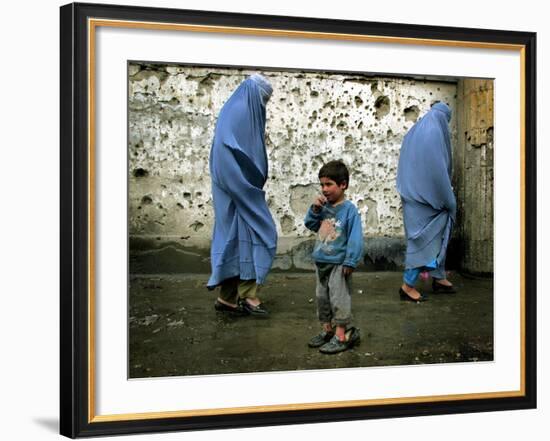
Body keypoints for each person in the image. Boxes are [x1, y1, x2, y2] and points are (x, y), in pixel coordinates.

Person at [207, 73, 277, 317]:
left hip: (235, 190)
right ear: (254, 94)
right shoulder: (240, 111)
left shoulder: (237, 109)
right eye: (263, 99)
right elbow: (227, 152)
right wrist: (245, 189)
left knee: (235, 240)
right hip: (237, 190)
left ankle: (227, 298)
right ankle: (248, 296)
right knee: (262, 232)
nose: (263, 104)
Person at [396, 102, 457, 302]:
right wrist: (447, 199)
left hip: (414, 197)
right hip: (426, 201)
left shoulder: (415, 132)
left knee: (437, 236)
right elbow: (437, 172)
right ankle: (407, 286)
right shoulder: (433, 133)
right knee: (420, 242)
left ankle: (438, 277)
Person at [304, 160, 363, 354]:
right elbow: (311, 225)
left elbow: (355, 237)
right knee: (322, 299)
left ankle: (341, 335)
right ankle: (327, 331)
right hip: (321, 262)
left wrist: (350, 260)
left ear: (343, 185)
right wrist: (314, 210)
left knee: (339, 299)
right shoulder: (322, 208)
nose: (324, 189)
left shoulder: (349, 211)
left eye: (329, 184)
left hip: (339, 264)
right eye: (322, 185)